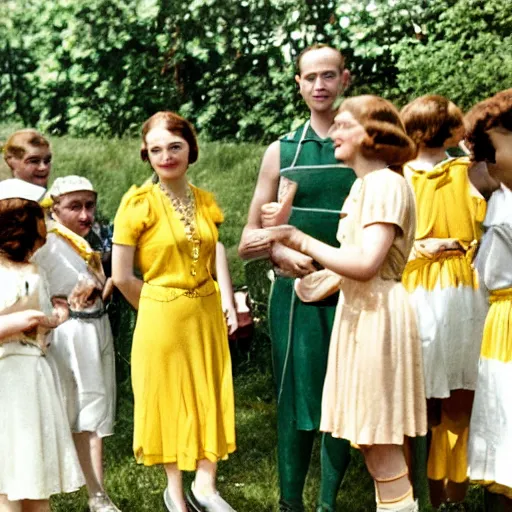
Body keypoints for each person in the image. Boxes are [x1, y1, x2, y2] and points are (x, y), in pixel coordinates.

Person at [264, 95, 426, 512]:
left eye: (343, 124)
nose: (332, 132)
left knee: (380, 439)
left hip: (378, 318)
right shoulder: (364, 185)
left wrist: (296, 237)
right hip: (360, 315)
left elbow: (368, 263)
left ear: (373, 134)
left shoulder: (385, 184)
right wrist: (314, 281)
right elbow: (353, 264)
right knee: (373, 444)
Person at [238, 44, 355, 512]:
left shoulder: (367, 145)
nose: (319, 85)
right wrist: (279, 248)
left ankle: (328, 503)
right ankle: (291, 503)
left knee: (343, 398)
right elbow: (250, 233)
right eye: (310, 78)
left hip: (353, 290)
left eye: (329, 76)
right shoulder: (281, 149)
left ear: (345, 79)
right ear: (299, 84)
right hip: (295, 296)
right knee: (295, 399)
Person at [111, 111, 236, 512]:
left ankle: (206, 484)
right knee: (168, 397)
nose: (166, 156)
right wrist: (158, 307)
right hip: (161, 315)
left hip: (206, 312)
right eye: (156, 150)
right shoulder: (137, 204)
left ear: (190, 149)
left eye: (175, 147)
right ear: (147, 155)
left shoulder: (206, 201)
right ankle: (175, 493)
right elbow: (122, 276)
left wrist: (228, 300)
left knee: (207, 392)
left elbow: (215, 250)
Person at [399, 95, 488, 507]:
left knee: (424, 406)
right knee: (458, 401)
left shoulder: (399, 175)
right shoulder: (471, 171)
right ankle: (452, 495)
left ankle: (421, 494)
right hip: (462, 290)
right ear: (453, 128)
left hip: (418, 288)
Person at [32, 175, 119, 512]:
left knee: (94, 412)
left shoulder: (91, 238)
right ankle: (91, 495)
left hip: (96, 327)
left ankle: (96, 494)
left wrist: (103, 287)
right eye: (74, 207)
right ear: (55, 208)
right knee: (74, 412)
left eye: (89, 206)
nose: (85, 215)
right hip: (66, 333)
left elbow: (100, 282)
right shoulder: (47, 240)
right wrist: (52, 303)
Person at [0, 178, 84, 512]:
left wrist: (56, 315)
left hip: (32, 372)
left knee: (34, 464)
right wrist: (28, 320)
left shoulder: (34, 270)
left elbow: (46, 319)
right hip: (5, 372)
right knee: (7, 467)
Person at [464, 89, 512, 511]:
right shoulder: (500, 195)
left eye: (494, 148)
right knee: (499, 419)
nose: (487, 161)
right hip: (500, 320)